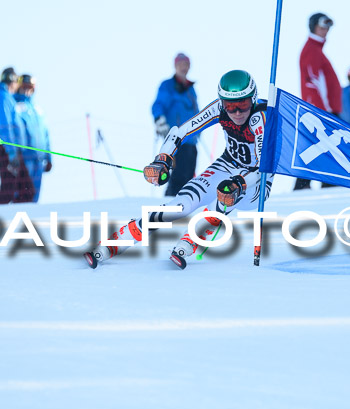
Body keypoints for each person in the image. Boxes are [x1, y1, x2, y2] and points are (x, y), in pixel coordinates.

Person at [84, 70, 272, 270]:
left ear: (252, 99)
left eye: (242, 105)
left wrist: (239, 183)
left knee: (225, 195)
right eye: (230, 106)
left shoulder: (259, 118)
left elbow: (263, 167)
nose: (236, 113)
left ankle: (189, 242)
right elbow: (180, 132)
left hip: (257, 182)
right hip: (227, 165)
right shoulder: (219, 109)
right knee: (180, 206)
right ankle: (112, 244)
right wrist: (163, 159)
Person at [295, 12, 342, 190]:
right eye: (322, 27)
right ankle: (307, 185)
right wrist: (322, 111)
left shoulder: (316, 50)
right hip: (320, 110)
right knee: (322, 146)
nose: (326, 31)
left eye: (328, 27)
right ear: (314, 26)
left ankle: (317, 183)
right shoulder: (312, 51)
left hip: (322, 109)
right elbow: (313, 84)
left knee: (321, 147)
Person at [151, 53, 200, 196]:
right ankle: (169, 203)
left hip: (191, 139)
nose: (184, 68)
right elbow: (158, 104)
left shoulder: (191, 89)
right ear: (175, 66)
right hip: (176, 139)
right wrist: (159, 119)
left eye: (186, 64)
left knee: (189, 176)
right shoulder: (168, 86)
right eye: (181, 65)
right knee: (178, 175)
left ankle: (185, 204)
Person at [0, 67, 25, 204]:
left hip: (9, 148)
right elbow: (5, 128)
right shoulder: (2, 98)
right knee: (8, 186)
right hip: (5, 148)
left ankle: (15, 213)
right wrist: (11, 153)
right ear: (12, 81)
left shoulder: (6, 98)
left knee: (19, 186)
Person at [13, 74, 52, 203]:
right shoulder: (16, 107)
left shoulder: (37, 110)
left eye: (30, 88)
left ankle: (32, 217)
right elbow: (14, 131)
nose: (27, 91)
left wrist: (48, 157)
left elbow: (45, 134)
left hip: (39, 158)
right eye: (24, 87)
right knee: (23, 192)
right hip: (24, 157)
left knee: (35, 193)